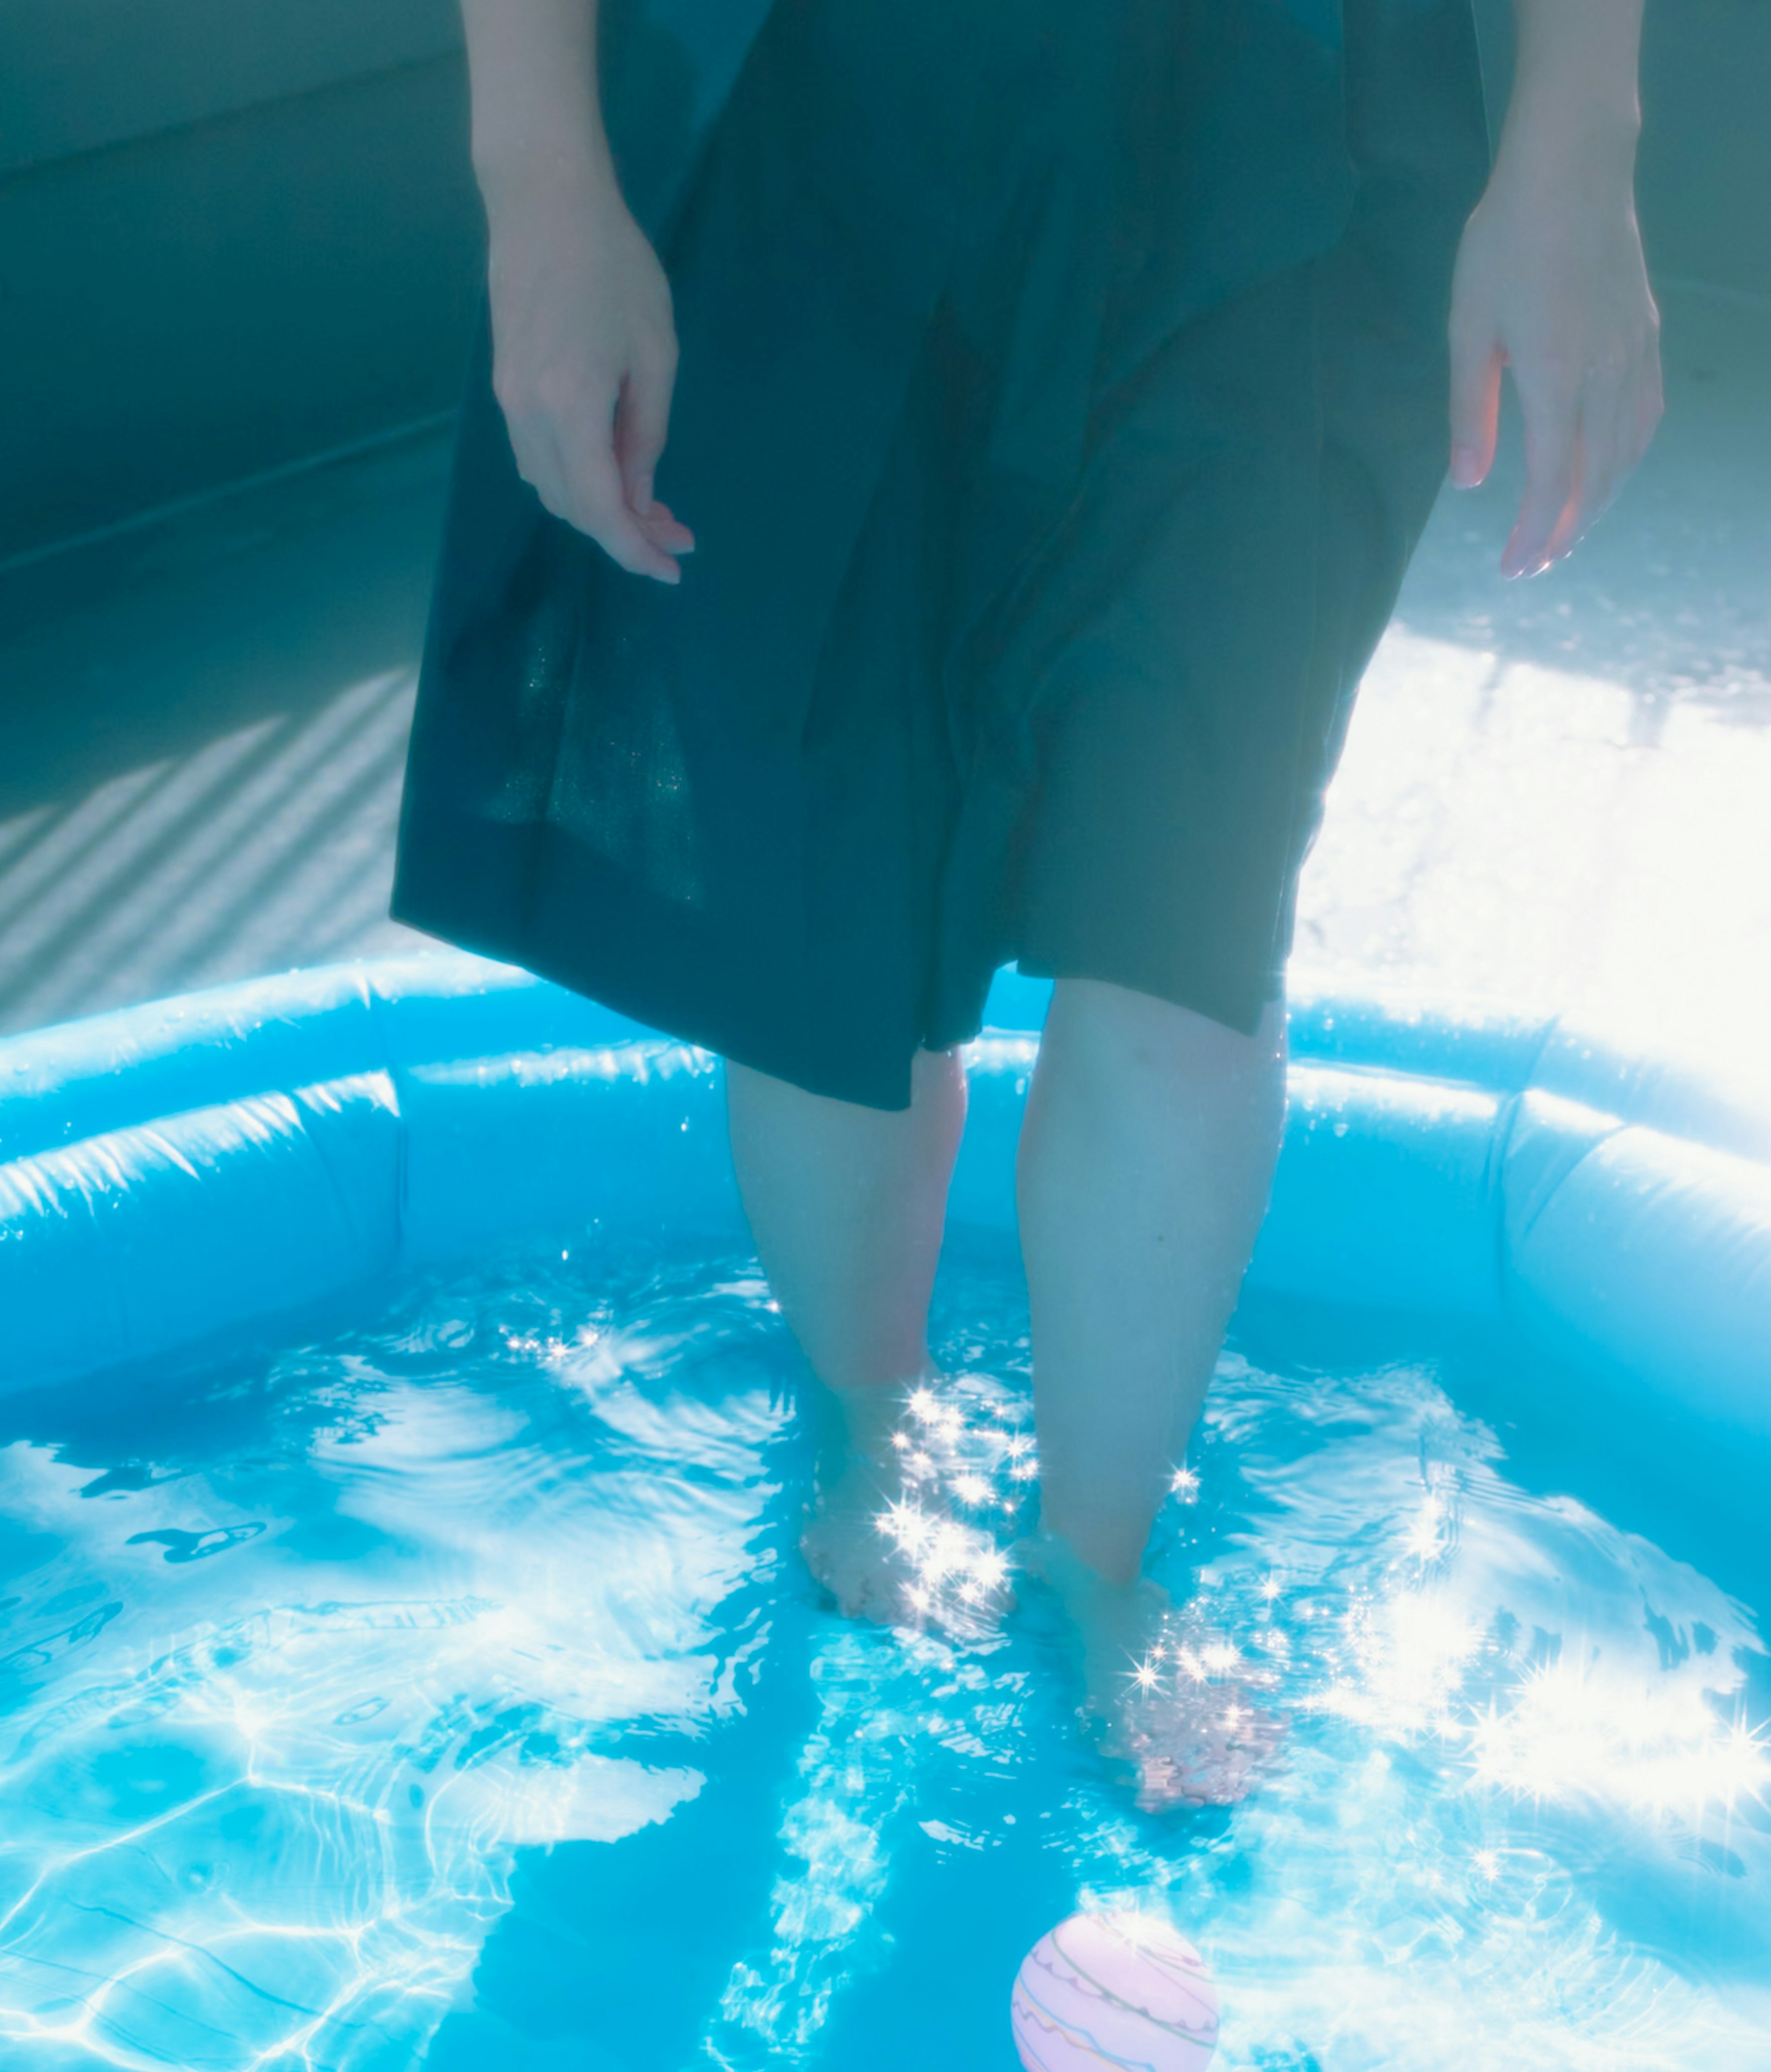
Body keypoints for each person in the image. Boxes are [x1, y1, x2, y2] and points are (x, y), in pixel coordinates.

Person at [395, 0, 1661, 1807]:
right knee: (834, 887)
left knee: (1189, 895)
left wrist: (1576, 141)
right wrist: (539, 181)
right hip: (817, 103)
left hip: (1279, 134)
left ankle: (1102, 1564)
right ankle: (871, 1432)